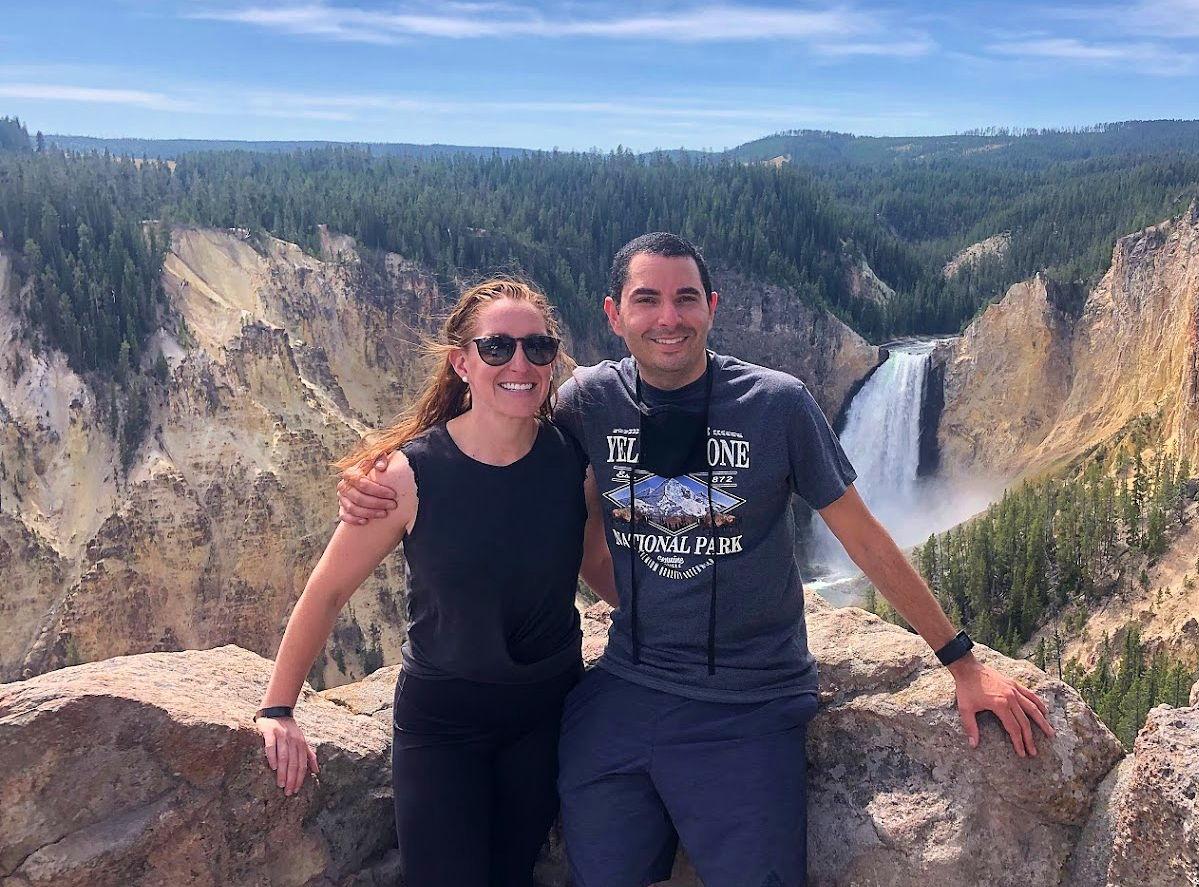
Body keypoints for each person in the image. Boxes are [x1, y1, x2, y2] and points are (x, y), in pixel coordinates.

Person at [339, 233, 1055, 887]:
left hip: (750, 698)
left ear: (712, 307)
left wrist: (962, 662)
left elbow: (864, 537)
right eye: (646, 299)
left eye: (685, 298)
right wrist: (389, 468)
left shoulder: (777, 405)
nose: (668, 318)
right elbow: (496, 430)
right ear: (615, 315)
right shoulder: (591, 401)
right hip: (624, 688)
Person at [257, 277, 614, 886]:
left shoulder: (573, 462)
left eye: (538, 347)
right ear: (461, 362)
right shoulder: (407, 475)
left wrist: (668, 625)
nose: (520, 364)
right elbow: (328, 591)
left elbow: (594, 564)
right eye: (497, 347)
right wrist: (277, 708)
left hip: (546, 714)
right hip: (443, 724)